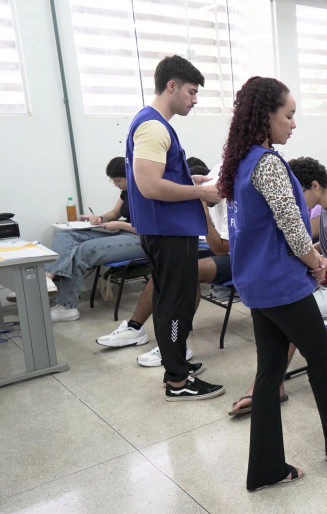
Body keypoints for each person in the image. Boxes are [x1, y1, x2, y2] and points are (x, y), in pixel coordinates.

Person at [218, 77, 327, 491]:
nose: (293, 124)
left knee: (270, 372)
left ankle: (267, 467)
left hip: (256, 284)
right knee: (322, 363)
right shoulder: (268, 163)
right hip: (282, 283)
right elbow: (292, 226)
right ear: (265, 115)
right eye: (288, 115)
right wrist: (317, 264)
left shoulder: (241, 163)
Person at [229, 156, 327, 416]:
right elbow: (326, 245)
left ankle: (268, 385)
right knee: (288, 311)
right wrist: (310, 252)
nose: (295, 200)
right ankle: (272, 383)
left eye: (297, 193)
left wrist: (318, 262)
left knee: (294, 316)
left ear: (314, 185)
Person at [126, 55, 223, 401]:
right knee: (174, 303)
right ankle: (177, 382)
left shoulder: (154, 124)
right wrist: (199, 191)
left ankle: (177, 364)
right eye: (192, 92)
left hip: (167, 229)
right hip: (167, 231)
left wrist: (189, 179)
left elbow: (159, 178)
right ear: (171, 86)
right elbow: (149, 185)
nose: (195, 100)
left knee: (175, 300)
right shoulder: (153, 126)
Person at [96, 182, 229, 367]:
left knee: (188, 271)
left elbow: (221, 249)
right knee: (166, 267)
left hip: (237, 258)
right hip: (207, 245)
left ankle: (176, 346)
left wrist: (202, 210)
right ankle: (135, 328)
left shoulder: (228, 200)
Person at [37, 157, 145, 322]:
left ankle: (67, 307)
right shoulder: (127, 190)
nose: (116, 184)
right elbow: (115, 213)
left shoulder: (147, 191)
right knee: (65, 235)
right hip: (123, 231)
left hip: (142, 240)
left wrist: (119, 225)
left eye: (118, 180)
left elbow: (150, 229)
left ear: (130, 175)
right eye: (113, 181)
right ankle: (47, 279)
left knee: (83, 250)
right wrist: (100, 218)